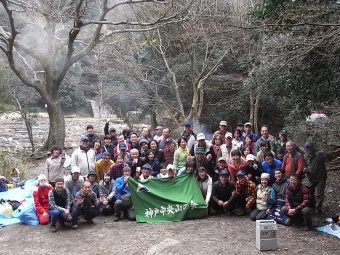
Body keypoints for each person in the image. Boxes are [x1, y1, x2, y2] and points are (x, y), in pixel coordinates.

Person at [303, 141, 328, 214]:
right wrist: (305, 169)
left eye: (309, 147)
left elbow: (329, 158)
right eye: (307, 147)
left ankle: (318, 209)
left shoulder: (319, 154)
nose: (308, 149)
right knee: (309, 191)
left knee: (319, 194)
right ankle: (312, 206)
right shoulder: (305, 156)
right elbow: (304, 165)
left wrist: (325, 153)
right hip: (311, 178)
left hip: (321, 177)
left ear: (313, 147)